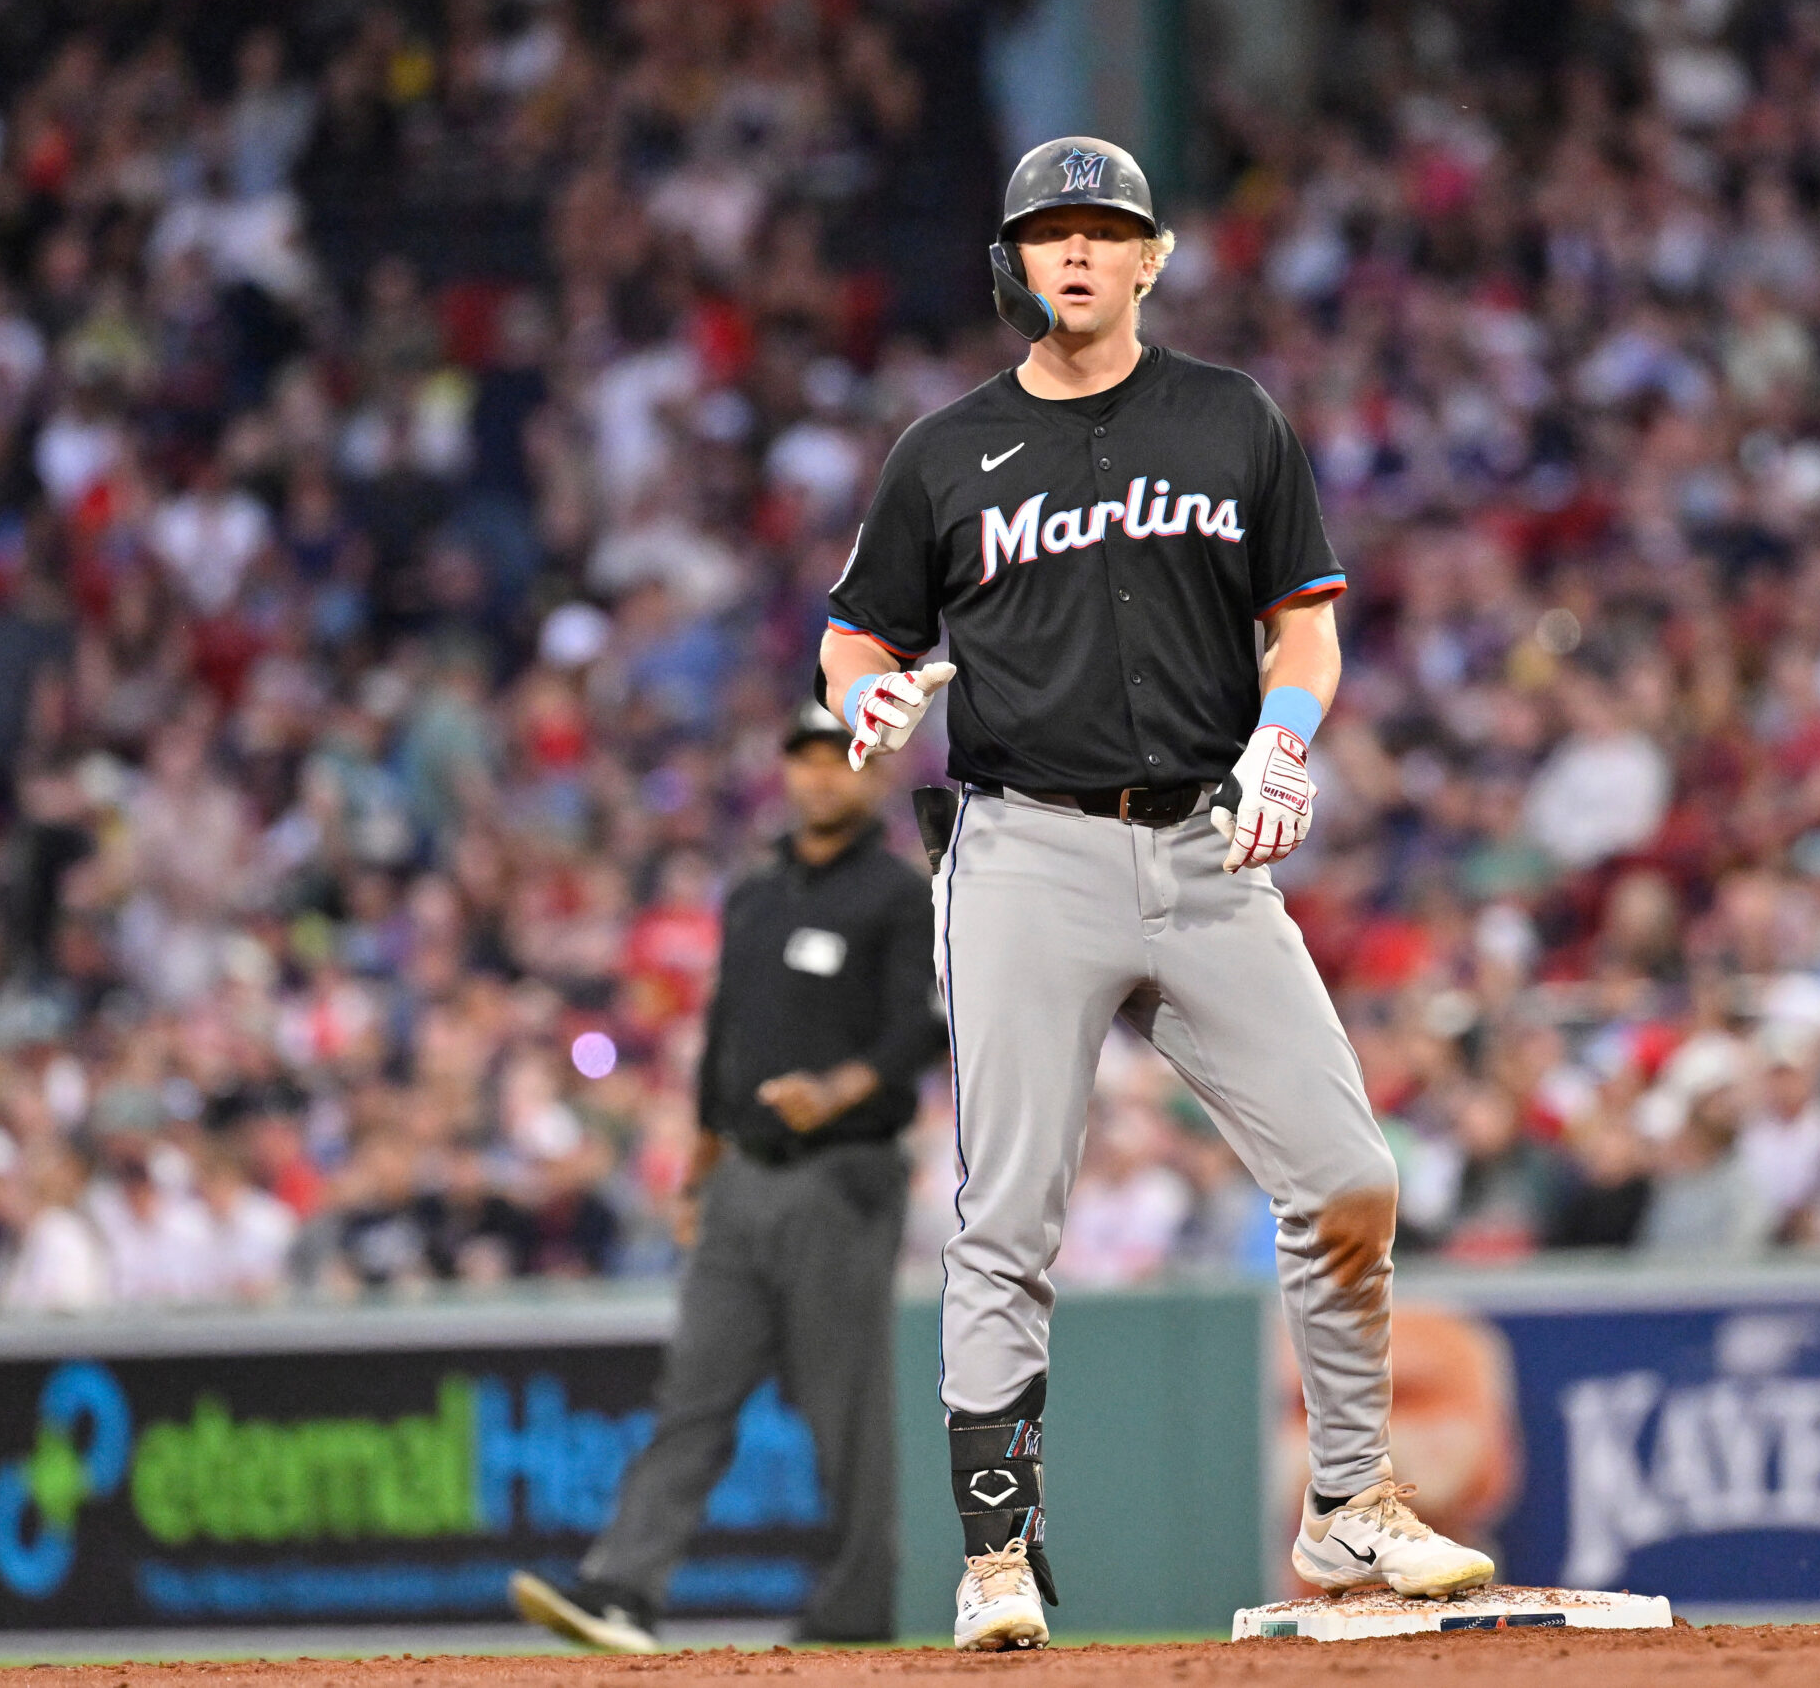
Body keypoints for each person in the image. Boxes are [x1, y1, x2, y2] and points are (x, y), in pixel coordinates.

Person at [817, 136, 1492, 1652]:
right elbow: (857, 635)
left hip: (1205, 840)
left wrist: (1286, 737)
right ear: (1015, 263)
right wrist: (858, 697)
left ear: (1149, 258)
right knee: (1008, 1213)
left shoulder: (1229, 416)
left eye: (1102, 230)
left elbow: (1305, 630)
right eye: (1049, 230)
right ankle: (996, 1552)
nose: (1075, 251)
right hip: (1024, 849)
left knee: (1348, 1171)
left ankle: (1351, 1501)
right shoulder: (943, 453)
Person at [512, 701, 943, 1651]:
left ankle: (857, 1613)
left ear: (870, 776)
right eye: (805, 759)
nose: (821, 775)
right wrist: (701, 1165)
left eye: (839, 760)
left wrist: (841, 1089)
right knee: (692, 1393)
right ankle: (622, 1587)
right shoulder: (754, 894)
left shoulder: (895, 894)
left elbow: (922, 1025)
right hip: (744, 1176)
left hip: (843, 1176)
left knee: (846, 1413)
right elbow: (724, 1040)